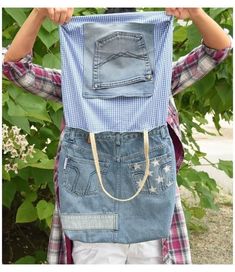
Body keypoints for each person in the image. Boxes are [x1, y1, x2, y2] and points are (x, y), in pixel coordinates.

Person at [2, 7, 232, 264]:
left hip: (150, 220)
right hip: (93, 222)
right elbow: (15, 68)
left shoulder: (160, 80)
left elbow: (219, 49)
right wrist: (39, 11)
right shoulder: (75, 85)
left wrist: (195, 11)